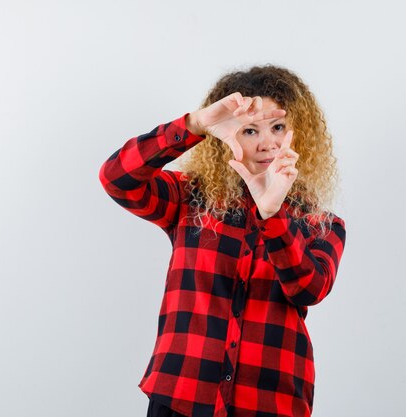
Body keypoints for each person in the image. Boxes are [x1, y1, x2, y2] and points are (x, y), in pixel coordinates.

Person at [98, 64, 347, 417]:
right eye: (250, 130)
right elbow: (117, 178)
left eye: (277, 127)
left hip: (270, 402)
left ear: (298, 133)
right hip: (183, 395)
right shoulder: (190, 199)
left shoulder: (321, 224)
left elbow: (309, 289)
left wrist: (272, 216)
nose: (267, 143)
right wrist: (193, 125)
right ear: (226, 136)